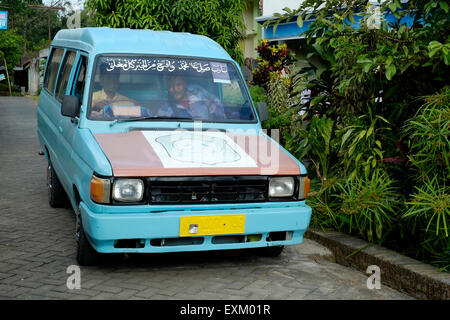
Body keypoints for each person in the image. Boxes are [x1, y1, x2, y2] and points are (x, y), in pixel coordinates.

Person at [157, 74, 226, 120]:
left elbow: (219, 108)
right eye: (171, 86)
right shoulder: (166, 105)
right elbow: (160, 121)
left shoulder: (198, 92)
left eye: (178, 84)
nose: (175, 89)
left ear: (185, 85)